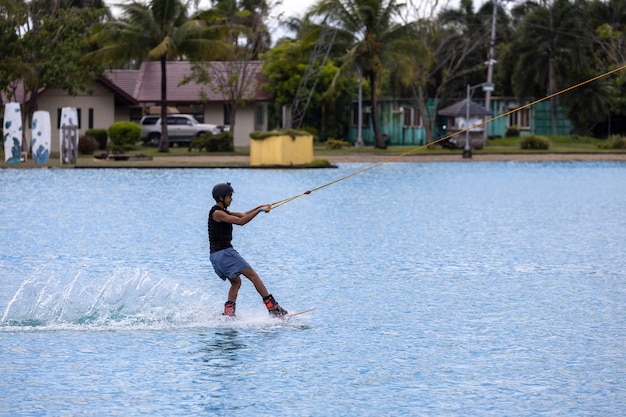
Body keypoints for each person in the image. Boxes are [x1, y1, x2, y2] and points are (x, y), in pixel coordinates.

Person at [208, 182, 288, 318]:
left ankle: (228, 313)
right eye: (229, 196)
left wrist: (260, 207)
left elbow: (243, 214)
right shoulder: (217, 213)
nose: (231, 199)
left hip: (217, 256)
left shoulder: (222, 211)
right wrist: (260, 210)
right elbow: (241, 221)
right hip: (224, 253)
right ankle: (273, 308)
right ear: (221, 197)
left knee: (236, 282)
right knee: (253, 275)